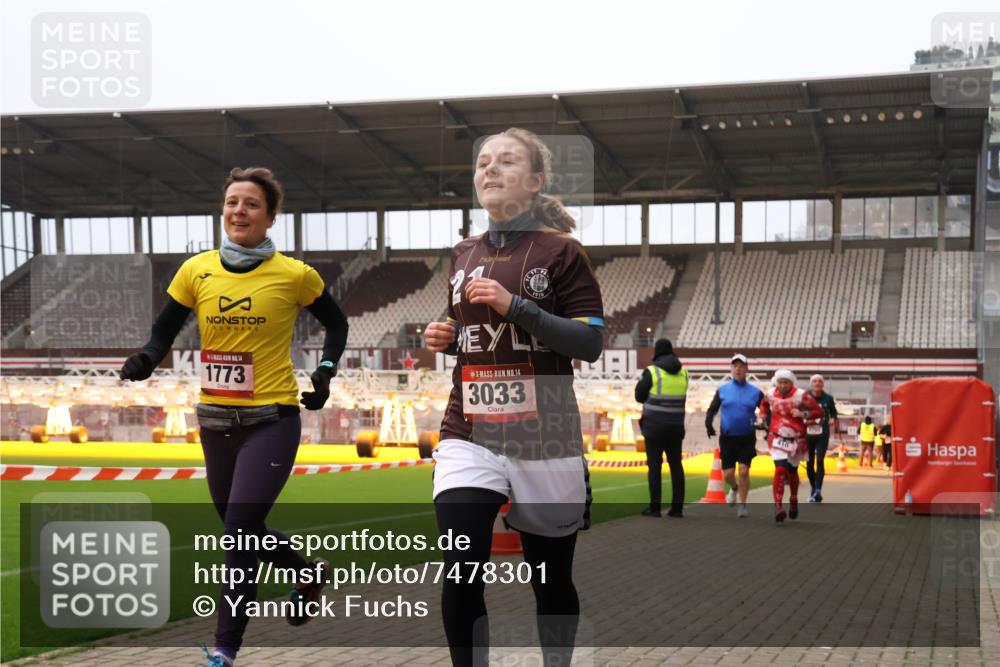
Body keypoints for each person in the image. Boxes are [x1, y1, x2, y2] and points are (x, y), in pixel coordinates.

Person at [120, 167, 349, 667]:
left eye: (250, 203)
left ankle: (225, 648)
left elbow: (336, 323)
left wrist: (326, 372)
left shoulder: (294, 274)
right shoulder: (196, 270)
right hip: (215, 421)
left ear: (270, 216)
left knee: (241, 527)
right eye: (230, 202)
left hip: (272, 419)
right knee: (234, 519)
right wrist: (145, 359)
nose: (238, 211)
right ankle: (305, 573)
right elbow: (164, 331)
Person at [423, 127, 605, 667]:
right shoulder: (461, 254)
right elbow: (467, 330)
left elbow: (589, 343)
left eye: (506, 161)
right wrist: (445, 336)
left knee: (551, 584)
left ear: (535, 180)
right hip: (469, 434)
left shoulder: (562, 252)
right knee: (461, 568)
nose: (490, 170)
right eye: (483, 163)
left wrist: (515, 306)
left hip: (545, 439)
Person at [757, 369, 824, 523]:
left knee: (792, 473)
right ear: (776, 382)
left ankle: (793, 499)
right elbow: (764, 405)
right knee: (780, 470)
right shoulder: (771, 393)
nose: (783, 385)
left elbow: (819, 412)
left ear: (791, 383)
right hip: (777, 437)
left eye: (786, 382)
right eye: (780, 382)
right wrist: (762, 417)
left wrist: (803, 414)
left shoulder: (801, 395)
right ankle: (778, 506)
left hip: (797, 439)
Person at [634, 338, 688, 518]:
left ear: (656, 352)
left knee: (655, 468)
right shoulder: (683, 373)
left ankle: (655, 508)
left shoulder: (652, 371)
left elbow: (639, 396)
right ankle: (677, 509)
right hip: (676, 427)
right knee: (676, 467)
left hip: (654, 428)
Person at [704, 353, 763, 518]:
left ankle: (743, 505)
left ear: (746, 369)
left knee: (744, 471)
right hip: (728, 438)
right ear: (731, 369)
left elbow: (766, 411)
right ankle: (734, 488)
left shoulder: (755, 392)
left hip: (747, 437)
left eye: (741, 366)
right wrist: (708, 423)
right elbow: (712, 409)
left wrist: (766, 424)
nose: (738, 369)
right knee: (728, 474)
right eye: (735, 366)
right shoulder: (722, 390)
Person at [804, 374, 838, 503]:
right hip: (808, 433)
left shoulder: (828, 398)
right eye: (814, 381)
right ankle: (813, 488)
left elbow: (833, 411)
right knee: (809, 463)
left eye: (819, 381)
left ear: (823, 384)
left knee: (819, 460)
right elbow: (798, 410)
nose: (817, 383)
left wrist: (832, 418)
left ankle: (818, 490)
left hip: (822, 433)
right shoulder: (805, 396)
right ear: (811, 384)